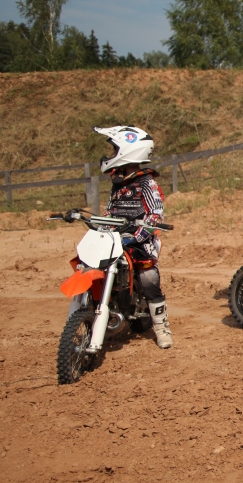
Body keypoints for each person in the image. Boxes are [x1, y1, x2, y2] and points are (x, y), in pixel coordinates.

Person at [96, 125, 173, 349]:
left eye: (114, 150)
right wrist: (102, 225)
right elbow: (109, 211)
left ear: (128, 152)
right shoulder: (118, 184)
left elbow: (156, 214)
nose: (110, 155)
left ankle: (161, 328)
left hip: (141, 239)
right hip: (115, 238)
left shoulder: (147, 183)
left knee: (148, 279)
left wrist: (137, 236)